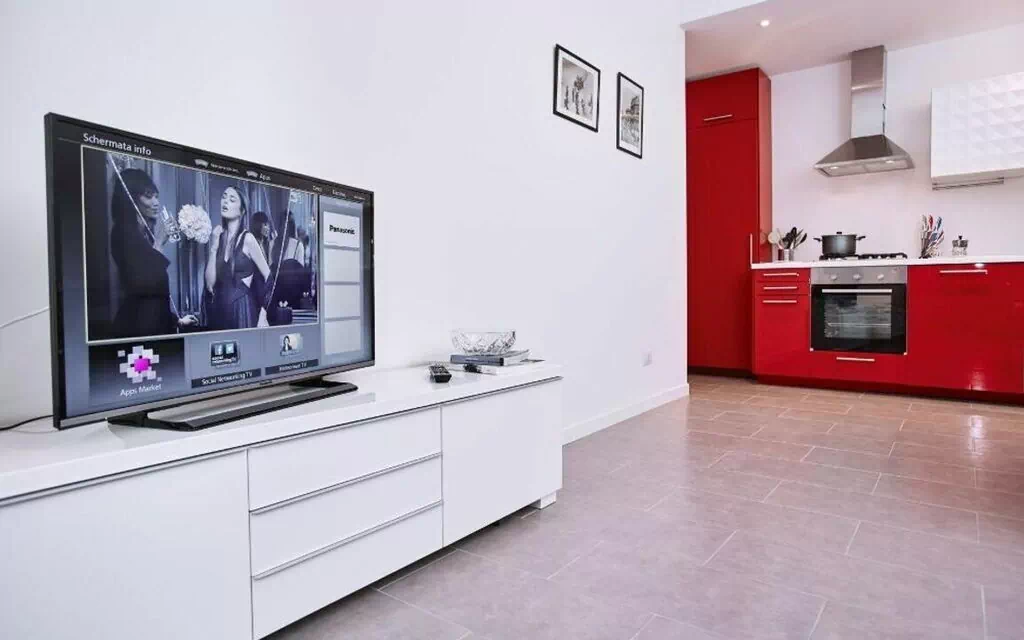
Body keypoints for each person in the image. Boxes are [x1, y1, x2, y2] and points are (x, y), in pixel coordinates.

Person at [109, 168, 195, 337]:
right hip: (140, 327)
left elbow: (157, 296)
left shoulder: (143, 234)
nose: (156, 202)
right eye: (149, 196)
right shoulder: (122, 233)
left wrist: (176, 321)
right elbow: (144, 283)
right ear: (130, 197)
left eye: (156, 196)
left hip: (154, 324)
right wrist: (159, 242)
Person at [205, 186, 273, 329]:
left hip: (242, 311)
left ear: (242, 211)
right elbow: (209, 285)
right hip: (220, 311)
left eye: (232, 199)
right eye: (224, 197)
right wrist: (214, 247)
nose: (225, 201)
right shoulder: (219, 238)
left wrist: (263, 313)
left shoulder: (248, 238)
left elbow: (269, 277)